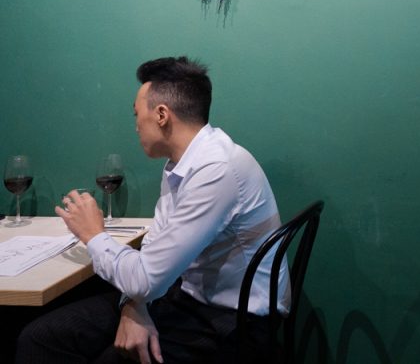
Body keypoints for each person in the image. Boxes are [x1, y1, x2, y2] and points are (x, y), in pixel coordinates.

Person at [17, 56, 285, 363]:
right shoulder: (181, 163)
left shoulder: (216, 170)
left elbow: (146, 278)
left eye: (136, 115)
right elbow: (152, 258)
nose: (135, 126)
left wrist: (93, 234)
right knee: (41, 337)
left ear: (161, 115)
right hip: (182, 296)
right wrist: (134, 306)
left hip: (231, 323)